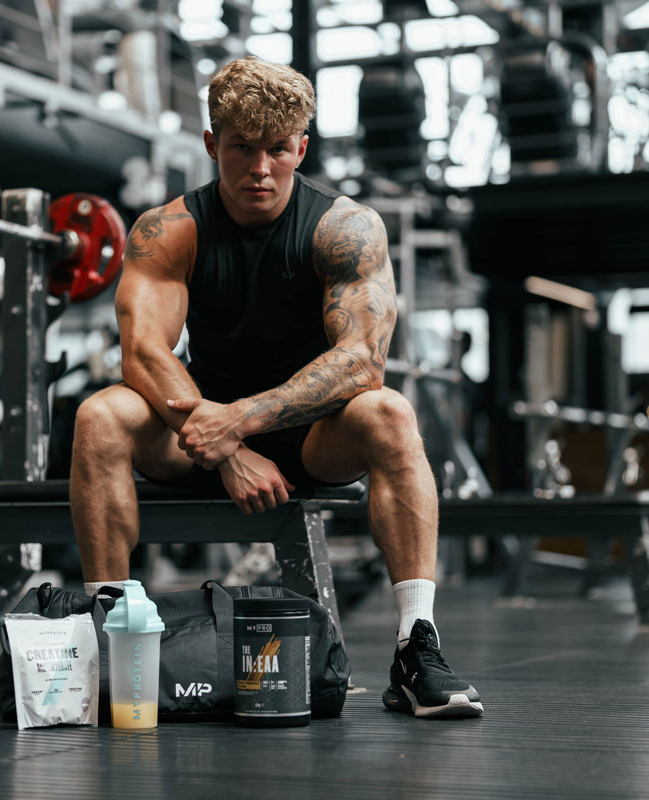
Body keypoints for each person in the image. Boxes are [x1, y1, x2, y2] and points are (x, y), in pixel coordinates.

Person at [69, 57, 483, 719]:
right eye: (240, 148)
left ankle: (416, 645)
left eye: (278, 150)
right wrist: (225, 444)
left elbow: (360, 363)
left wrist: (242, 421)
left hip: (309, 434)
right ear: (211, 144)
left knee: (390, 412)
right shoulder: (167, 231)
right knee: (101, 416)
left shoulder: (344, 228)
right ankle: (106, 638)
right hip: (196, 430)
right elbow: (144, 352)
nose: (259, 168)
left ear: (302, 148)